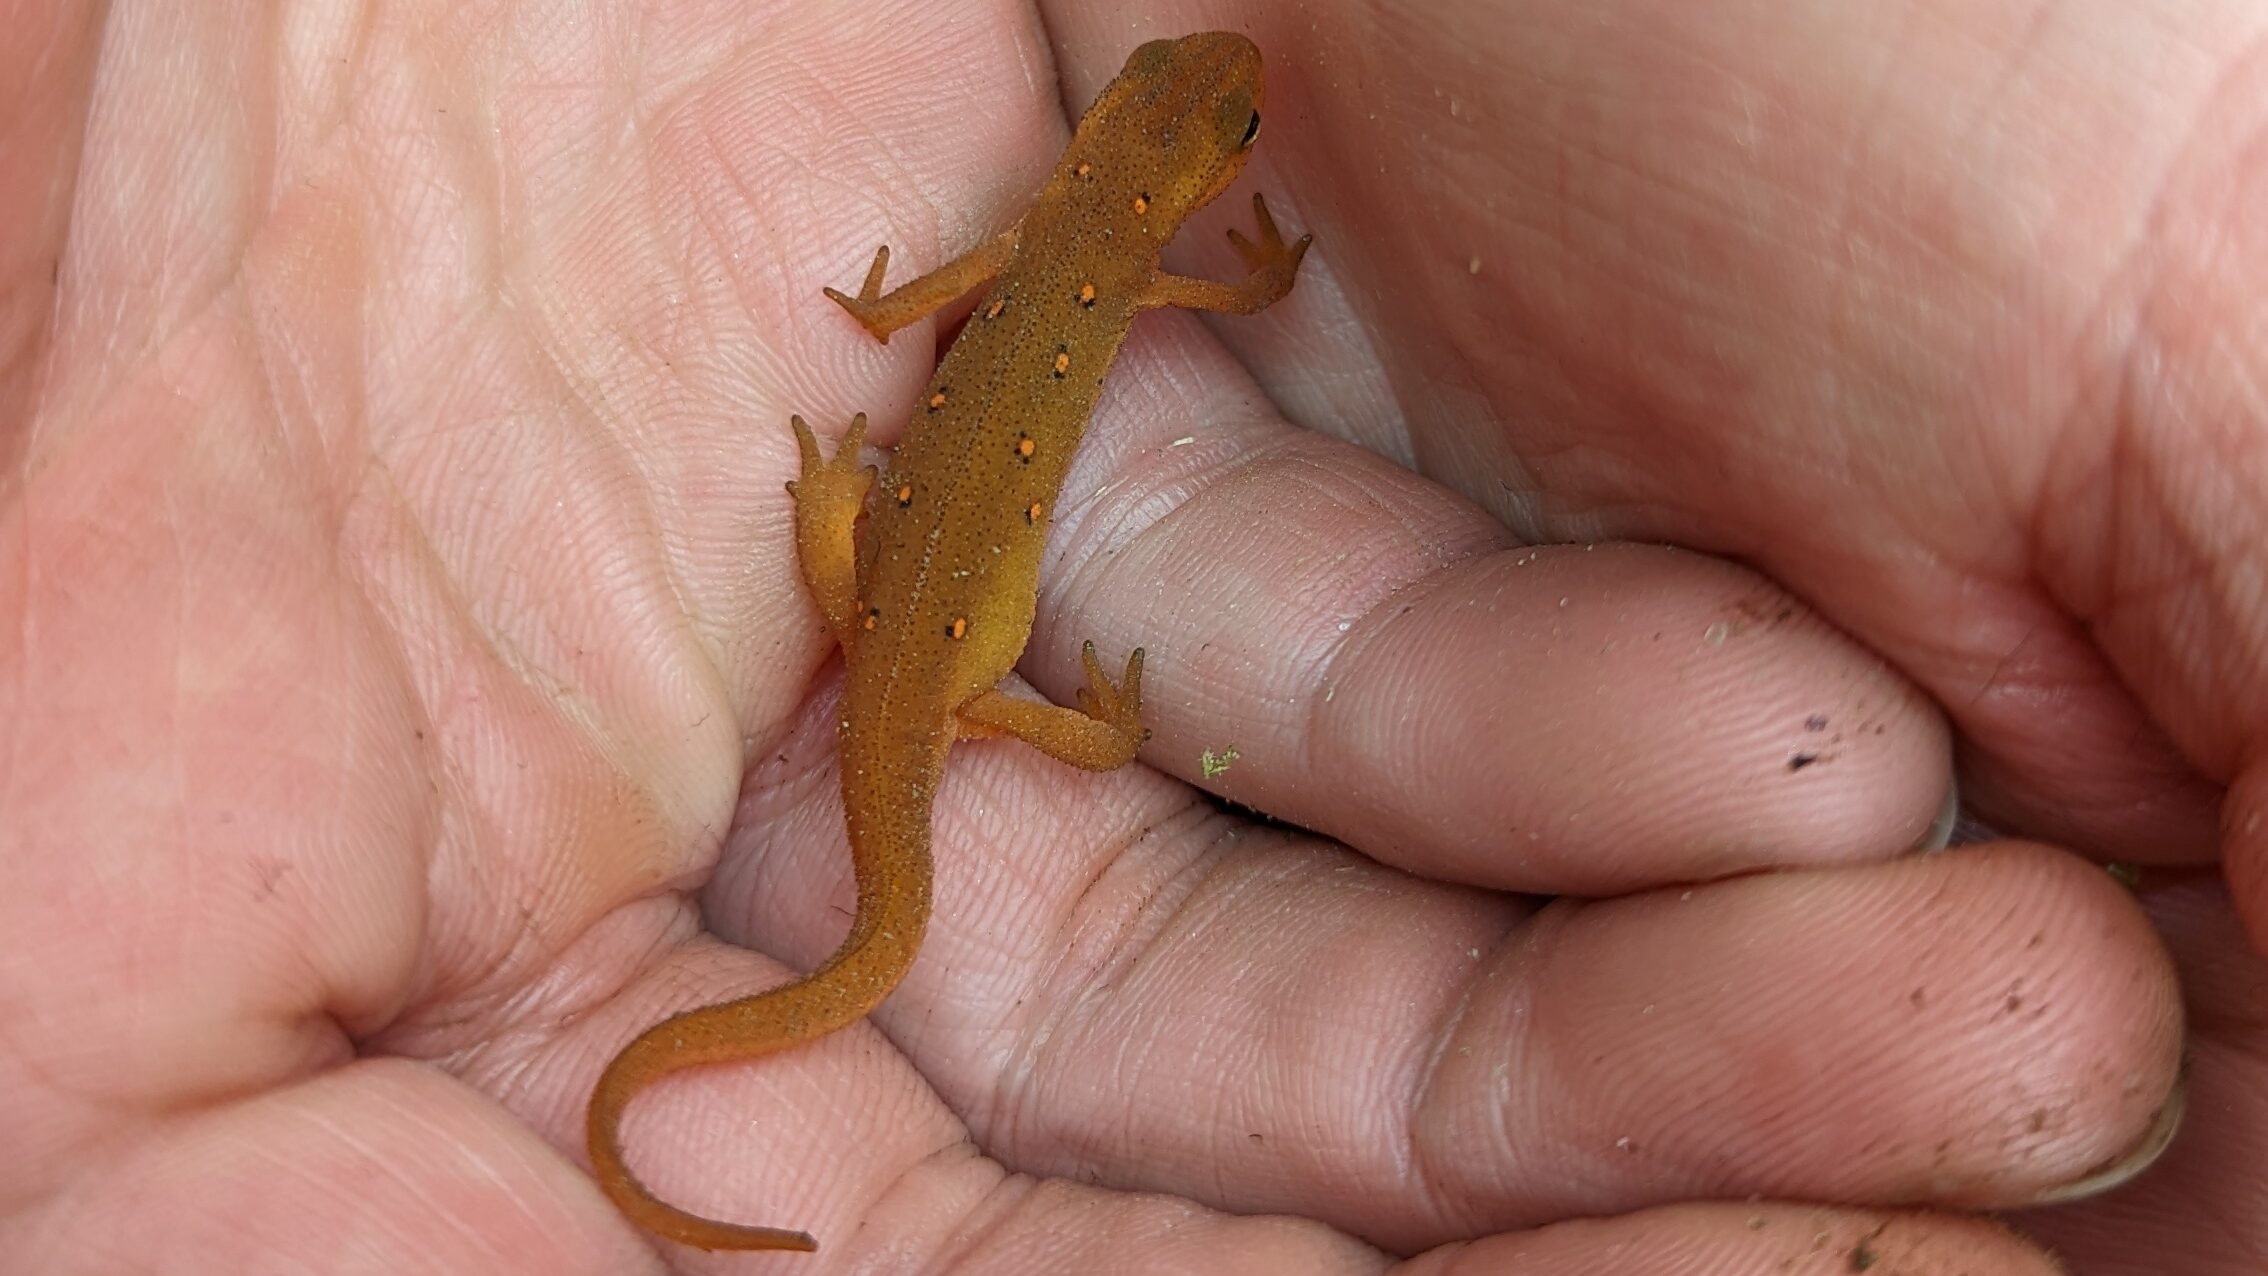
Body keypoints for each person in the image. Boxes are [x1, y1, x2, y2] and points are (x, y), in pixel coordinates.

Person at [0, 2, 2253, 1271]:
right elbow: (1071, 297)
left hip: (894, 616)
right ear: (1160, 175)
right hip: (937, 667)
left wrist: (877, 376)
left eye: (1209, 127)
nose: (1202, 121)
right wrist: (1104, 713)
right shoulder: (1118, 249)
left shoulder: (1069, 239)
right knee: (950, 673)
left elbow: (958, 295)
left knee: (883, 561)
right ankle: (665, 1091)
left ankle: (838, 570)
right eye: (1204, 128)